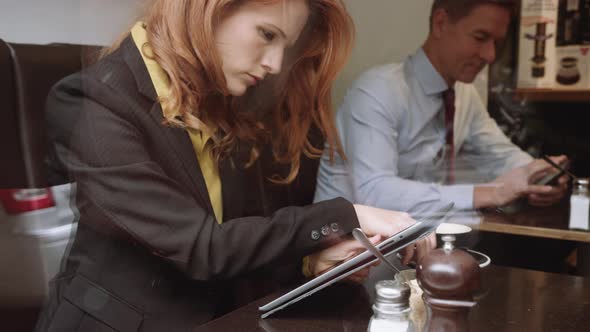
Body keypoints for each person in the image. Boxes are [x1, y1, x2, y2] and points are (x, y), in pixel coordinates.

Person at [34, 1, 434, 331]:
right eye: (267, 34)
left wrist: (311, 261)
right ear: (209, 10)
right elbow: (202, 247)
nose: (276, 63)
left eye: (285, 45)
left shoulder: (220, 96)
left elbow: (245, 232)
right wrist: (347, 213)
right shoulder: (89, 105)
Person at [314, 0, 569, 214]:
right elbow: (375, 193)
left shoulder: (464, 95)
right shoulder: (376, 91)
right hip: (350, 258)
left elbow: (499, 155)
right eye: (481, 37)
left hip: (417, 251)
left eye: (497, 43)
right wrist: (493, 193)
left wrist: (537, 175)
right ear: (440, 23)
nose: (490, 55)